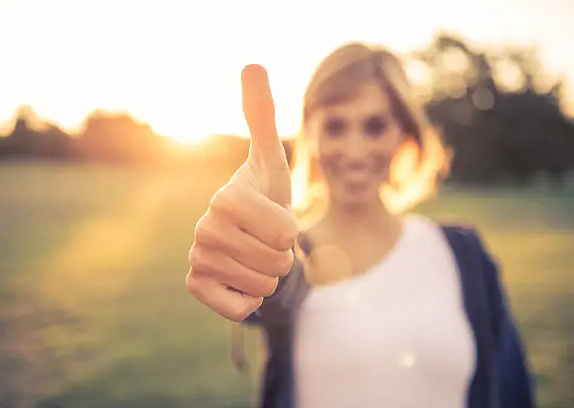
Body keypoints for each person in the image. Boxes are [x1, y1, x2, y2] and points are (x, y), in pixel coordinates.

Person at [186, 42, 535, 408]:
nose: (354, 152)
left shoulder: (464, 254)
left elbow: (512, 391)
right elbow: (271, 293)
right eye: (335, 127)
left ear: (404, 132)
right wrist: (244, 249)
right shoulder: (289, 257)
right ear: (312, 136)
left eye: (375, 126)